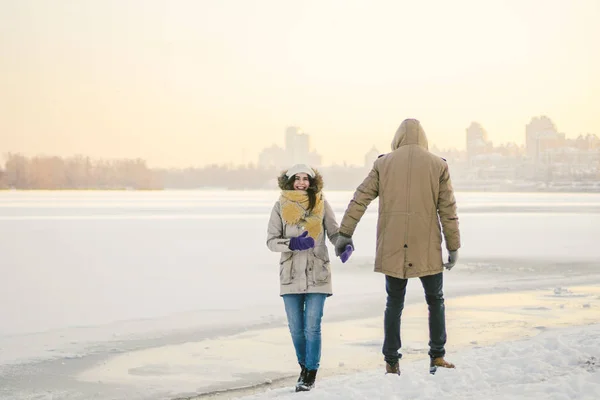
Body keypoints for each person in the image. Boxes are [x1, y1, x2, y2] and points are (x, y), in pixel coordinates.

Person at [334, 119, 461, 375]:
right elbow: (448, 210)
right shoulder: (438, 165)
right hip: (427, 245)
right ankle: (437, 356)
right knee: (435, 300)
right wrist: (453, 246)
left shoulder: (383, 163)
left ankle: (391, 361)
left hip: (393, 245)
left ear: (398, 137)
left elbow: (360, 199)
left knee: (394, 302)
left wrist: (344, 233)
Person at [266, 164, 352, 391]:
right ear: (289, 181)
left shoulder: (322, 204)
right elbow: (271, 241)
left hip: (318, 274)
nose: (302, 182)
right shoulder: (279, 207)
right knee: (296, 328)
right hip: (291, 275)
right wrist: (292, 243)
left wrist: (344, 246)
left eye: (306, 179)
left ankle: (310, 374)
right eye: (297, 178)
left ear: (312, 182)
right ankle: (303, 367)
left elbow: (334, 233)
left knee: (312, 327)